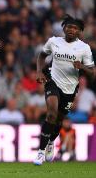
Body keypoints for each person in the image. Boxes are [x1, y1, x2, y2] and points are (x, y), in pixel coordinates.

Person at [33, 14, 96, 165]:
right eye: (69, 27)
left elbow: (93, 71)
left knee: (59, 119)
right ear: (64, 28)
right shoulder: (54, 42)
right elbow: (42, 56)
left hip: (70, 88)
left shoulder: (84, 48)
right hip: (52, 81)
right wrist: (39, 71)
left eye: (75, 28)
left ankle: (50, 142)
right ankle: (40, 153)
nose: (71, 30)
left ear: (80, 32)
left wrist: (82, 67)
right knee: (51, 113)